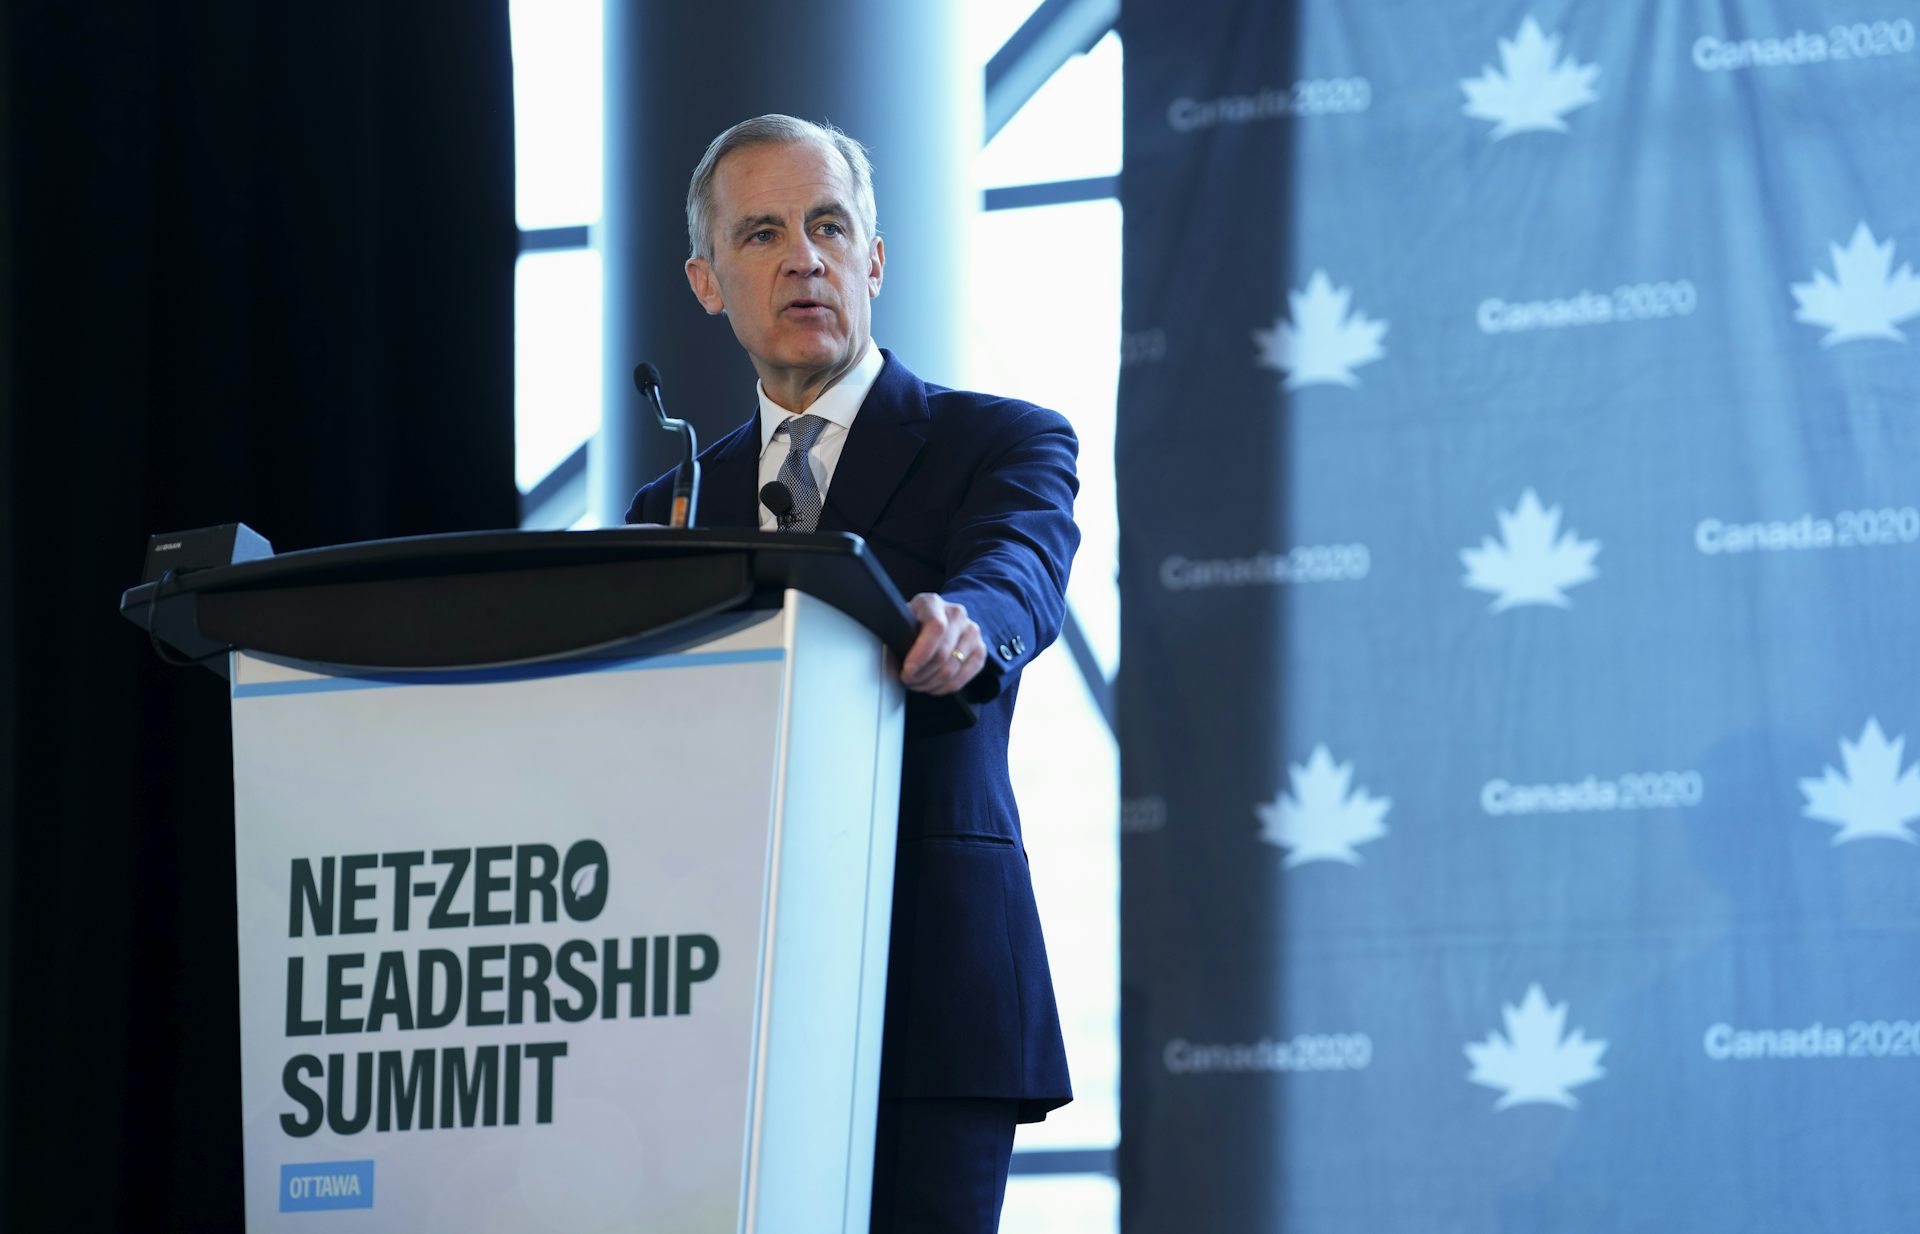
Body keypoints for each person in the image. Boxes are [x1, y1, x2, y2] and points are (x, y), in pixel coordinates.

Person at [625, 114, 1077, 1233]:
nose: (804, 258)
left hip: (935, 981)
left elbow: (1019, 568)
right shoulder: (668, 508)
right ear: (707, 280)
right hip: (724, 998)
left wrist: (968, 626)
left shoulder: (1002, 440)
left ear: (873, 257)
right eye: (764, 233)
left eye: (829, 227)